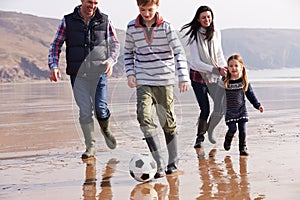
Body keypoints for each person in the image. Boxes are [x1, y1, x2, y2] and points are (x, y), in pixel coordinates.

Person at [124, 0, 190, 178]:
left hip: (165, 80)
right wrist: (130, 73)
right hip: (143, 80)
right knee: (143, 117)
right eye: (142, 9)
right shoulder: (131, 27)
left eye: (150, 9)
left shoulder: (166, 27)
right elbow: (128, 53)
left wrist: (183, 77)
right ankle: (159, 164)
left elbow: (178, 52)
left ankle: (172, 163)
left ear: (157, 6)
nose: (146, 13)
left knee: (167, 122)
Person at [48, 0, 120, 159]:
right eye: (89, 1)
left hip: (99, 73)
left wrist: (110, 60)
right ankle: (91, 146)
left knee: (101, 109)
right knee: (85, 111)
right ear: (81, 0)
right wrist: (53, 66)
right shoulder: (67, 21)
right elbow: (55, 45)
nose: (92, 6)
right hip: (78, 75)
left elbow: (115, 44)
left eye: (95, 2)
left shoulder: (105, 20)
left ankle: (106, 130)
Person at [180, 5, 227, 156]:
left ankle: (211, 129)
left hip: (214, 78)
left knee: (220, 106)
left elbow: (219, 55)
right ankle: (199, 137)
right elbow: (195, 62)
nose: (207, 20)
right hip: (198, 77)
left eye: (208, 17)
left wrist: (224, 69)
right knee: (205, 109)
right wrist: (215, 69)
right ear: (198, 20)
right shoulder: (194, 36)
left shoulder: (216, 33)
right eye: (203, 18)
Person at [223, 54, 264, 156]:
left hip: (242, 110)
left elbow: (250, 95)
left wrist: (257, 105)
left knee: (243, 130)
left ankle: (243, 148)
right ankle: (228, 139)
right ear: (227, 68)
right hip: (229, 111)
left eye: (236, 66)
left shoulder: (244, 81)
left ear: (241, 67)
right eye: (231, 66)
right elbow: (218, 95)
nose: (233, 68)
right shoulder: (225, 81)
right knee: (233, 129)